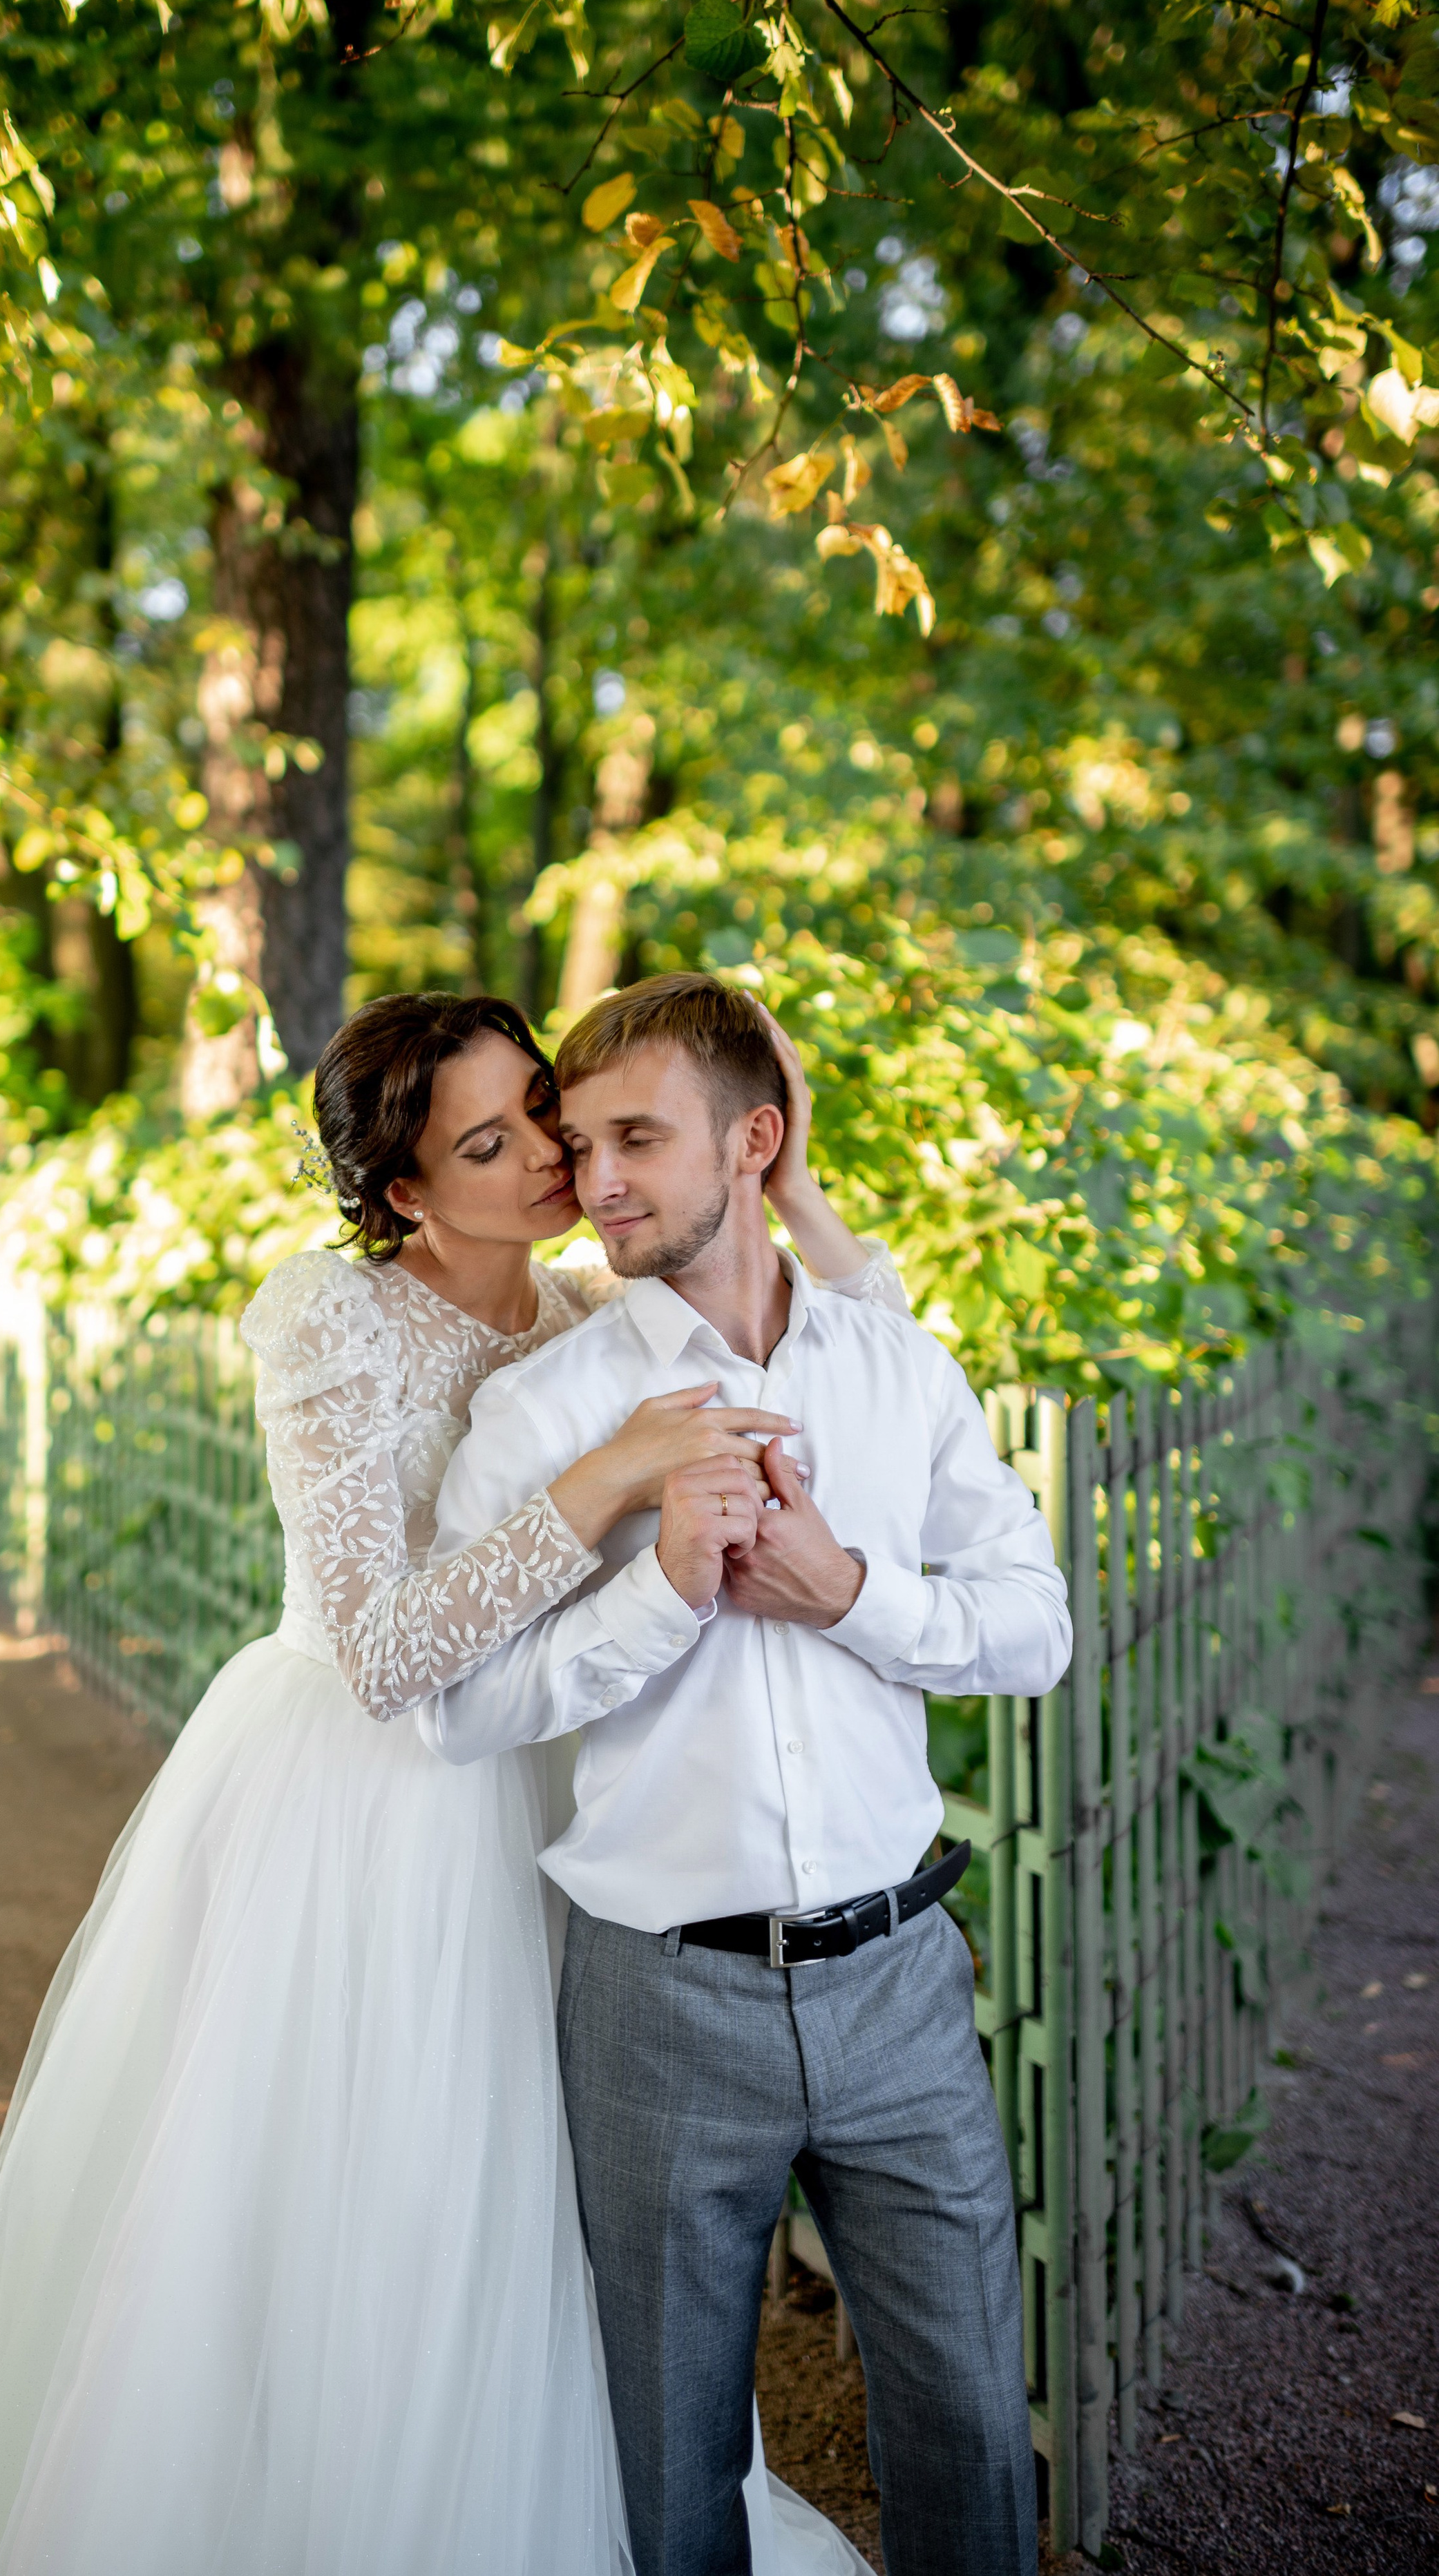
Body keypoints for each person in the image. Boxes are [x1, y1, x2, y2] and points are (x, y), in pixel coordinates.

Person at [0, 988, 902, 2576]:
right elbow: (376, 1647)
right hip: (365, 1810)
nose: (549, 1161)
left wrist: (800, 1188)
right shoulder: (327, 1314)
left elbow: (856, 1346)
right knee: (367, 2189)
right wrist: (606, 1472)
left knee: (557, 2203)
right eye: (487, 1146)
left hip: (553, 1781)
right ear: (404, 1190)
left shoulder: (589, 1310)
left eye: (540, 1118)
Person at [419, 972, 1073, 2576]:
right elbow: (455, 1708)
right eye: (580, 1142)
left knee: (972, 2428)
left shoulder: (897, 1370)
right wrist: (661, 1591)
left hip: (901, 1981)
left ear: (754, 1142)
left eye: (638, 1137)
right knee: (669, 2469)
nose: (600, 1182)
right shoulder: (544, 1414)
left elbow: (1032, 1627)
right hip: (657, 2001)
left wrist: (850, 1593)